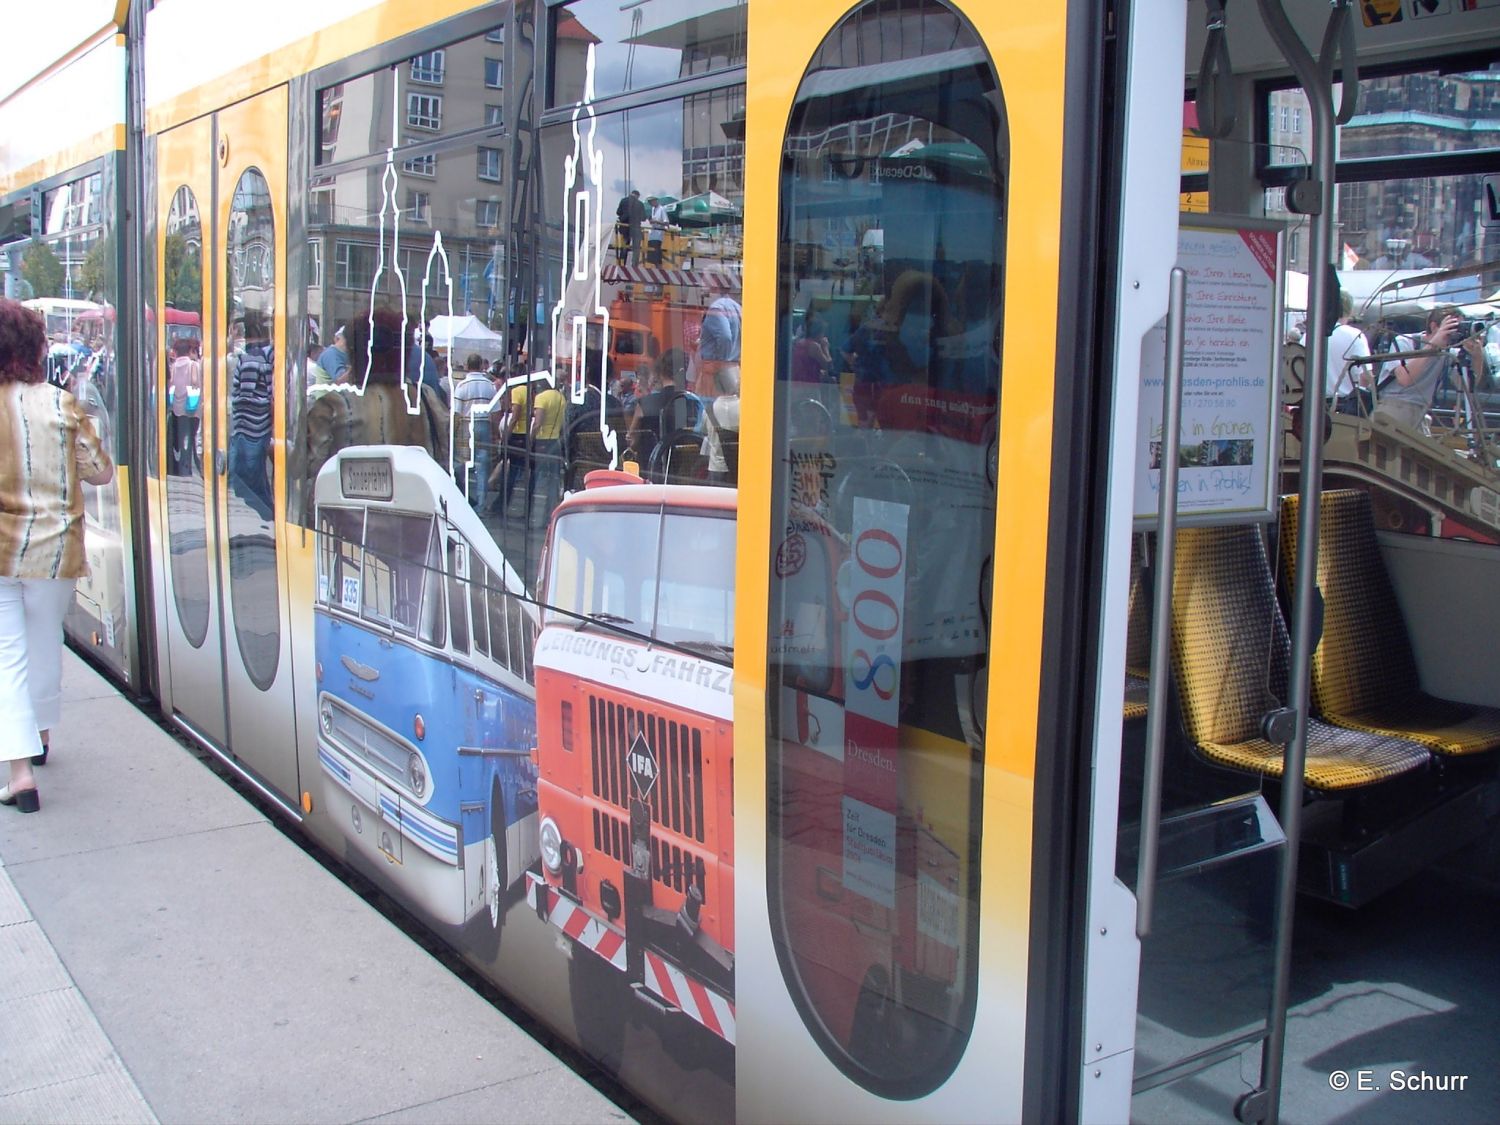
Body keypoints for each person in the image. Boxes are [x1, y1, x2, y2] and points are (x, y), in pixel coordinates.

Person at [0, 297, 114, 810]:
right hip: (55, 552)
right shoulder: (62, 404)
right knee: (45, 642)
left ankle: (19, 773)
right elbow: (101, 470)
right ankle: (40, 737)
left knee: (7, 655)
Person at [301, 307, 451, 512]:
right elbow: (445, 460)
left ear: (356, 352)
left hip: (348, 530)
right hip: (415, 529)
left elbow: (312, 476)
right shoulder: (425, 399)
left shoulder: (333, 406)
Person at [1374, 306, 1488, 433]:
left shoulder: (1449, 353)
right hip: (1394, 407)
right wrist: (1433, 344)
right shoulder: (1406, 342)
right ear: (1434, 327)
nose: (1454, 333)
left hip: (1422, 413)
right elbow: (1404, 378)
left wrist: (1477, 356)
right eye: (1451, 328)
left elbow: (1466, 385)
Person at [229, 312, 275, 521]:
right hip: (250, 425)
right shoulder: (253, 357)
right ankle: (267, 514)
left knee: (247, 476)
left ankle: (267, 515)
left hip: (252, 426)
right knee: (248, 476)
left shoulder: (262, 356)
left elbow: (269, 395)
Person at [1326, 292, 1371, 415]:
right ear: (1350, 310)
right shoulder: (1355, 336)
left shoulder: (1309, 335)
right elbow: (1365, 376)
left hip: (1314, 405)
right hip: (1346, 409)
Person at [166, 335, 202, 476]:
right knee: (194, 438)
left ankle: (184, 468)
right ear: (188, 351)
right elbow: (198, 383)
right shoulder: (194, 365)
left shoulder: (173, 367)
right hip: (194, 406)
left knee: (183, 440)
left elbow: (171, 385)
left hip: (177, 408)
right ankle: (197, 467)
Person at [646, 196, 670, 266]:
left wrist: (656, 221)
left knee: (657, 254)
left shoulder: (662, 209)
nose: (650, 204)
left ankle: (659, 268)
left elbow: (666, 222)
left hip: (658, 235)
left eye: (651, 202)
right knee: (651, 256)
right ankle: (655, 269)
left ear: (655, 201)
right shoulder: (653, 209)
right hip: (652, 234)